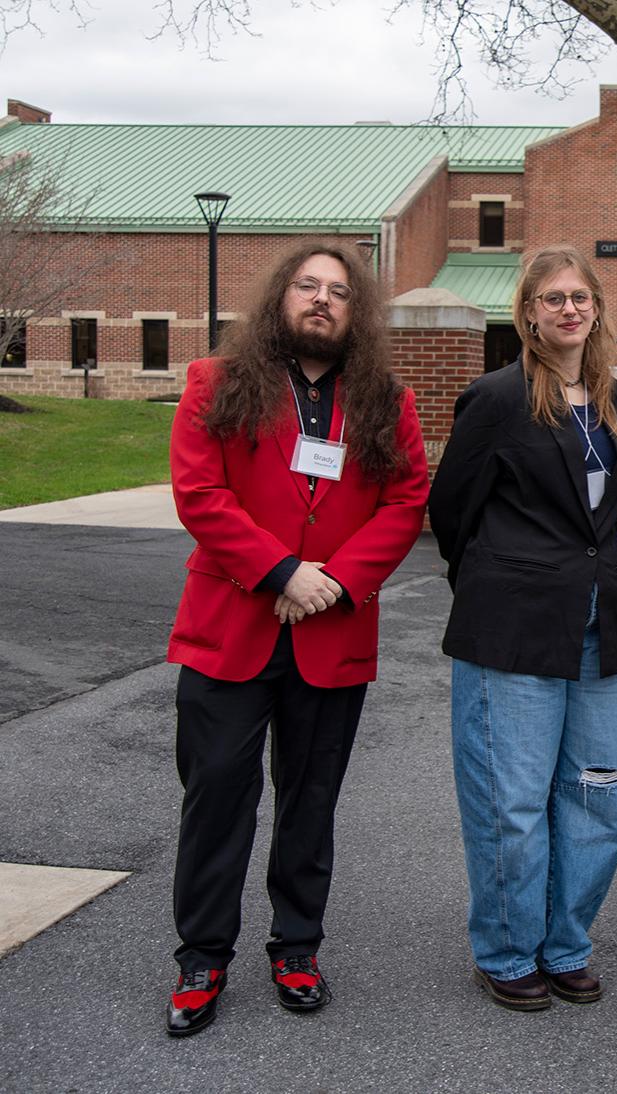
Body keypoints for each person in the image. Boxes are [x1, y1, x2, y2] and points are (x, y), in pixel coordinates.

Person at [164, 242, 429, 1036]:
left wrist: (336, 582)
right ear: (282, 297)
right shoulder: (216, 384)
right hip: (231, 630)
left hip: (332, 631)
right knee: (218, 797)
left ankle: (297, 946)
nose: (322, 300)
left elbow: (406, 500)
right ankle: (202, 956)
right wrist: (283, 572)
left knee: (310, 801)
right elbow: (200, 493)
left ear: (358, 311)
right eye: (308, 286)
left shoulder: (386, 399)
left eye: (339, 291)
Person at [429, 244, 617, 1013]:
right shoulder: (496, 399)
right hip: (511, 626)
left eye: (580, 297)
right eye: (553, 298)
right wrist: (500, 579)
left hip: (599, 626)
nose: (569, 309)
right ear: (528, 313)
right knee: (511, 800)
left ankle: (565, 942)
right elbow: (451, 512)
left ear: (597, 309)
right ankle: (508, 949)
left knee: (599, 793)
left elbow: (601, 520)